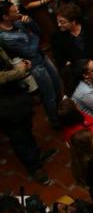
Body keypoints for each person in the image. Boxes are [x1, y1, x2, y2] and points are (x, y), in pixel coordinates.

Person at [0, 45, 54, 183]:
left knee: (26, 127)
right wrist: (20, 70)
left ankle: (37, 154)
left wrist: (22, 64)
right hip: (4, 105)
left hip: (15, 95)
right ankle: (34, 167)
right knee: (18, 136)